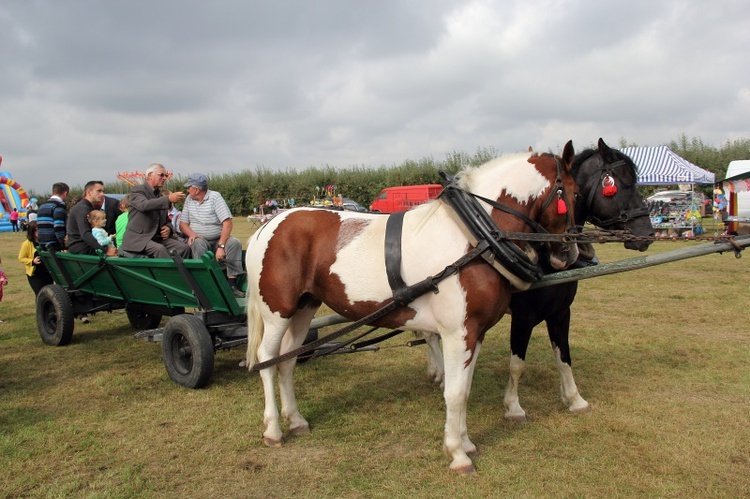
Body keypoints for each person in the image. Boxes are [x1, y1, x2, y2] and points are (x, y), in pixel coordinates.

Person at [179, 172, 245, 297]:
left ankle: (232, 285)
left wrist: (221, 246)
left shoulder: (215, 197)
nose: (187, 190)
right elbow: (183, 224)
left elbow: (227, 223)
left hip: (218, 238)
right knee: (197, 243)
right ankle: (207, 285)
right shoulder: (189, 200)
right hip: (200, 238)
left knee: (234, 243)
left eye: (189, 187)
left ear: (197, 189)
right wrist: (191, 234)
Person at [121, 163, 190, 258]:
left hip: (156, 238)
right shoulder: (137, 190)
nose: (165, 178)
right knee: (159, 249)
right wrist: (168, 199)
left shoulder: (160, 196)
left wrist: (168, 228)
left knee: (183, 248)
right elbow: (144, 205)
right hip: (139, 239)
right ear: (150, 175)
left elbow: (166, 220)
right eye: (161, 175)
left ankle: (183, 272)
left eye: (166, 175)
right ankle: (168, 273)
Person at [66, 180, 117, 256]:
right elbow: (85, 234)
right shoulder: (83, 208)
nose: (102, 194)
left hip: (82, 248)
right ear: (89, 192)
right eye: (99, 191)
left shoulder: (86, 207)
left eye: (102, 191)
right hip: (82, 249)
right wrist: (105, 250)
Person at [18, 221, 54, 295]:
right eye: (37, 230)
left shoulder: (44, 242)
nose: (40, 232)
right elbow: (21, 258)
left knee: (50, 294)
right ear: (32, 231)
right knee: (40, 294)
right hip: (35, 274)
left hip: (47, 273)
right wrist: (32, 261)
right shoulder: (26, 244)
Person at [36, 182, 69, 251]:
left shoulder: (42, 206)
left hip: (42, 243)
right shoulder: (59, 206)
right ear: (65, 193)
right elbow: (58, 226)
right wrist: (63, 244)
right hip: (54, 245)